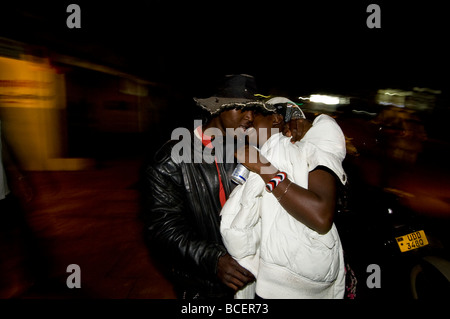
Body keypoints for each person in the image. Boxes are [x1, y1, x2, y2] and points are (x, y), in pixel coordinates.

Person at [142, 75, 310, 299]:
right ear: (218, 108)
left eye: (252, 109)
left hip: (253, 281)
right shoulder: (170, 161)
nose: (249, 117)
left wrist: (298, 134)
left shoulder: (247, 150)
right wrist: (214, 260)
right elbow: (164, 230)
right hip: (203, 286)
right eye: (241, 108)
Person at [220, 97, 347, 299]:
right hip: (266, 284)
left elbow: (321, 217)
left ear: (277, 119)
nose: (250, 118)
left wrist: (265, 169)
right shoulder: (251, 156)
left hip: (302, 287)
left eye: (257, 113)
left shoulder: (305, 150)